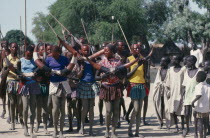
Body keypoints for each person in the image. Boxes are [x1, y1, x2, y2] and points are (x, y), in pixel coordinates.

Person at [44, 46, 77, 138]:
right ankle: (55, 130)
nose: (54, 56)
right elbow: (45, 71)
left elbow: (70, 67)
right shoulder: (48, 59)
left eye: (55, 54)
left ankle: (61, 131)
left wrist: (64, 72)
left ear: (59, 53)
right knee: (55, 109)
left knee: (62, 109)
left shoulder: (64, 59)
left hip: (63, 84)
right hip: (54, 85)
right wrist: (50, 73)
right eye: (52, 54)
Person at [96, 44, 123, 138]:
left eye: (107, 50)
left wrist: (117, 73)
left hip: (116, 88)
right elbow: (96, 77)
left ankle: (113, 131)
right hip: (106, 88)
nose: (105, 52)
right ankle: (107, 130)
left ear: (112, 52)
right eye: (104, 50)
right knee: (108, 111)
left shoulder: (119, 62)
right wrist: (102, 77)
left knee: (116, 111)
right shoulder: (101, 63)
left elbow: (123, 76)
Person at [19, 46, 41, 137]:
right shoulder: (21, 61)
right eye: (28, 52)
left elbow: (39, 69)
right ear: (25, 52)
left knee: (32, 108)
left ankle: (31, 130)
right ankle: (25, 128)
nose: (29, 54)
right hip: (24, 85)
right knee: (25, 108)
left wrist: (36, 74)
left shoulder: (35, 61)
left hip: (34, 85)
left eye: (31, 53)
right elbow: (18, 72)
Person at [127, 44, 146, 137]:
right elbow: (128, 75)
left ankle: (137, 132)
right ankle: (130, 128)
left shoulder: (143, 59)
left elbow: (145, 73)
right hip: (133, 85)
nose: (137, 49)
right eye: (135, 48)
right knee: (136, 108)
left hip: (141, 85)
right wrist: (136, 66)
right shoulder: (129, 59)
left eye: (138, 48)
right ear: (131, 50)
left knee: (139, 110)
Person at [77, 45, 97, 136]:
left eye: (87, 50)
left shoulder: (93, 60)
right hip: (83, 84)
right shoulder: (79, 61)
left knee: (91, 108)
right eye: (84, 50)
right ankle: (82, 127)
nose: (86, 52)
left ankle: (91, 129)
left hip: (92, 84)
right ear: (81, 51)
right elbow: (78, 76)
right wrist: (82, 66)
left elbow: (96, 72)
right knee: (84, 108)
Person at [3, 43, 23, 130]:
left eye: (16, 47)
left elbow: (21, 71)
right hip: (10, 82)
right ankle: (12, 122)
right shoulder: (6, 59)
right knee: (12, 103)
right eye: (13, 47)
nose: (14, 48)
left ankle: (20, 119)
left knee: (19, 103)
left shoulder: (20, 59)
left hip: (18, 82)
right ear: (10, 48)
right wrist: (10, 67)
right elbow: (4, 72)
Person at [182, 55, 201, 136]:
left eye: (188, 61)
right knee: (186, 114)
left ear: (193, 62)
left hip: (196, 96)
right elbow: (184, 84)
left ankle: (196, 132)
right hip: (187, 95)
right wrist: (182, 94)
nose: (186, 63)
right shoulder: (186, 71)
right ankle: (187, 128)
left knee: (195, 115)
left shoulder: (199, 71)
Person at [167, 55, 185, 132]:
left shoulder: (183, 70)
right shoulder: (170, 69)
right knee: (173, 110)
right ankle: (176, 125)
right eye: (172, 59)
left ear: (178, 60)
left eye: (174, 59)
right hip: (173, 93)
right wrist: (168, 92)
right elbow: (168, 82)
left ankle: (183, 126)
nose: (172, 61)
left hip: (181, 92)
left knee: (182, 111)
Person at [153, 56, 171, 129]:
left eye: (163, 61)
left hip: (167, 90)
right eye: (161, 61)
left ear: (167, 63)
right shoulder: (159, 70)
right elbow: (157, 80)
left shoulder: (170, 70)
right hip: (159, 90)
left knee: (167, 107)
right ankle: (160, 122)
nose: (161, 63)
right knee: (159, 106)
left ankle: (168, 123)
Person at [192, 71, 209, 138]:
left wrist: (193, 102)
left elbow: (199, 95)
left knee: (200, 124)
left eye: (196, 76)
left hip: (199, 108)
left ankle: (201, 136)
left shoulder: (199, 86)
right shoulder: (208, 86)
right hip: (206, 108)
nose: (196, 77)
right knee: (205, 123)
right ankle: (204, 136)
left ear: (199, 78)